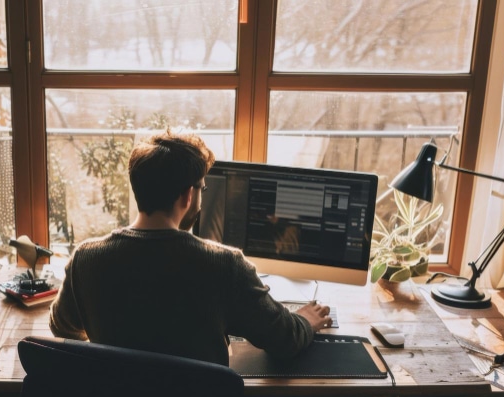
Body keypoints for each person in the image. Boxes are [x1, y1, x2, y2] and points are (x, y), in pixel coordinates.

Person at [49, 130, 332, 367]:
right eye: (202, 189)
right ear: (188, 194)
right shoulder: (226, 265)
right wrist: (305, 321)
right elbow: (284, 340)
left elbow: (62, 328)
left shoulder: (86, 258)